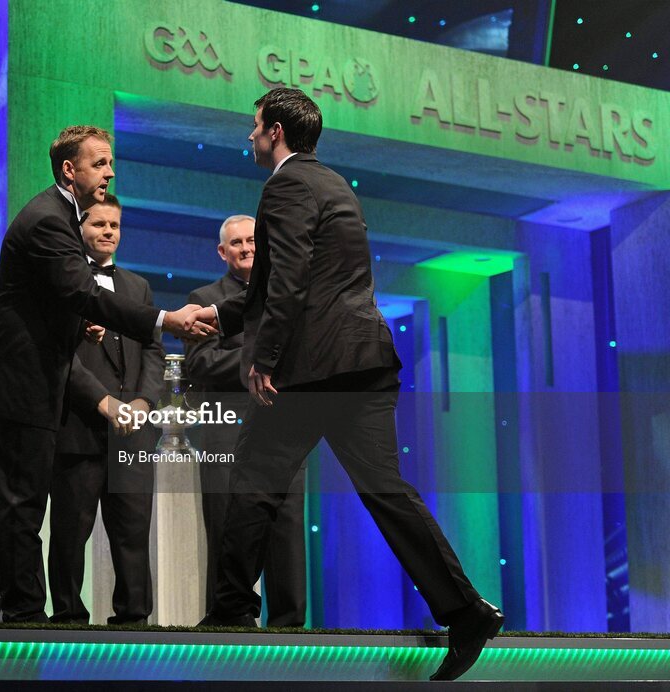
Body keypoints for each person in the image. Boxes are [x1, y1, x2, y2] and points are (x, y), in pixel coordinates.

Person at [188, 88, 503, 681]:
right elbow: (294, 280)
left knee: (253, 484)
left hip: (315, 370)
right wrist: (220, 317)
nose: (250, 136)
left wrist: (263, 358)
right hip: (362, 362)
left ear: (276, 131)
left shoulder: (284, 186)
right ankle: (466, 611)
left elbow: (289, 281)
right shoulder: (332, 183)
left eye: (255, 126)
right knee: (385, 490)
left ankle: (229, 613)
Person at [0, 125, 213, 624]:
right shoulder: (49, 219)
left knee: (9, 497)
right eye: (99, 163)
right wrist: (165, 319)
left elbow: (58, 299)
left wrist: (78, 326)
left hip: (33, 380)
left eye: (110, 162)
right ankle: (24, 615)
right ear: (69, 170)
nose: (110, 172)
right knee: (21, 504)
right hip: (24, 382)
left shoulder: (62, 217)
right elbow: (82, 293)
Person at [185, 214, 307, 628]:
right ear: (223, 252)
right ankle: (229, 625)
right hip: (226, 431)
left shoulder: (287, 295)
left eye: (252, 240)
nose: (246, 248)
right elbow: (199, 363)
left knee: (287, 529)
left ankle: (290, 628)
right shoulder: (205, 298)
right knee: (226, 529)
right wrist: (262, 358)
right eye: (236, 243)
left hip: (286, 429)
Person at [48, 194, 164, 625]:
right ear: (79, 228)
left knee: (133, 532)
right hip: (79, 426)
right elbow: (61, 356)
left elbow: (153, 350)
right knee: (69, 534)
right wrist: (105, 402)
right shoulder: (65, 283)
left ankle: (134, 620)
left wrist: (143, 401)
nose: (108, 232)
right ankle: (68, 619)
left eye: (114, 225)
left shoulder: (138, 287)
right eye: (99, 224)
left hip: (133, 432)